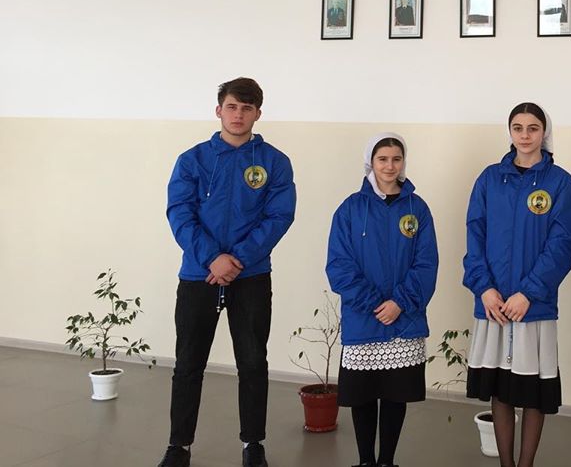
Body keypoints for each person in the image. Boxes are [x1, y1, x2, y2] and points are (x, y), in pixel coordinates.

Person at [158, 78, 297, 467]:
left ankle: (253, 444)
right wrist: (211, 259)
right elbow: (179, 213)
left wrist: (237, 259)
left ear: (258, 114)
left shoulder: (274, 162)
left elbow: (279, 216)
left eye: (247, 109)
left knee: (252, 363)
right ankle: (179, 446)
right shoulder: (192, 160)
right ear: (219, 110)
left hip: (250, 276)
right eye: (232, 107)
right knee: (188, 363)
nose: (238, 115)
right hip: (198, 275)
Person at [462, 102, 571, 467]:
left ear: (544, 132)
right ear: (510, 132)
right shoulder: (489, 179)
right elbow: (474, 235)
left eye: (533, 128)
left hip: (534, 306)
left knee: (533, 393)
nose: (525, 135)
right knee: (501, 391)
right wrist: (485, 289)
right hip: (495, 305)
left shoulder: (560, 183)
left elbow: (563, 245)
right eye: (518, 127)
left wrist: (528, 292)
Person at [326, 133, 438, 467]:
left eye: (396, 159)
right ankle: (365, 461)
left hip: (404, 321)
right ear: (370, 163)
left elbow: (426, 264)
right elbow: (339, 266)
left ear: (404, 162)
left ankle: (387, 460)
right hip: (364, 320)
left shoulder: (418, 209)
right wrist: (377, 305)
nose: (390, 166)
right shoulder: (350, 209)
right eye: (383, 159)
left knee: (394, 396)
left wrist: (400, 303)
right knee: (363, 397)